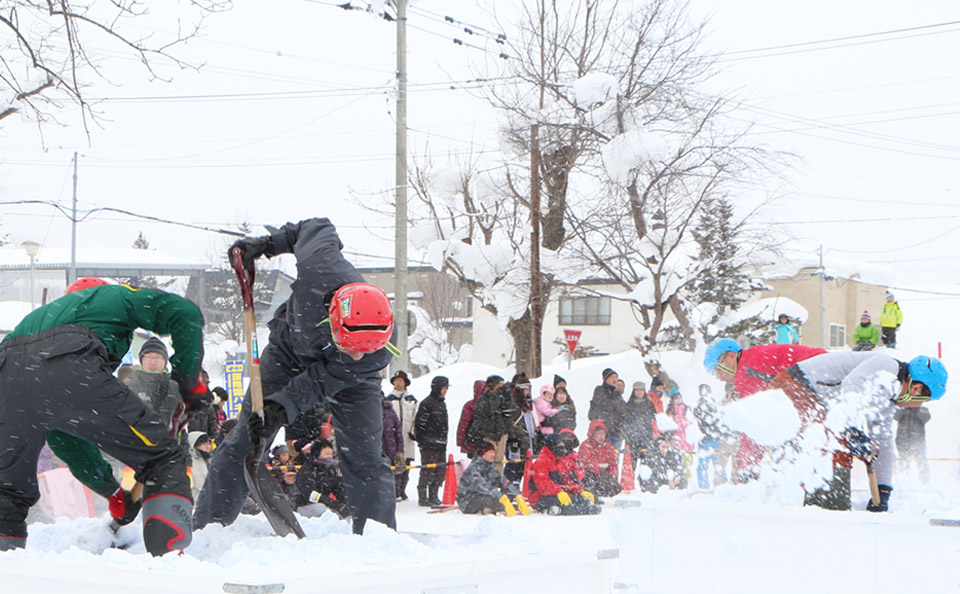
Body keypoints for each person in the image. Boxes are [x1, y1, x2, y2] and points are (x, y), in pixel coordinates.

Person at [194, 218, 398, 535]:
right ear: (334, 320)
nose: (358, 354)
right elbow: (313, 226)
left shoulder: (374, 352)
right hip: (288, 351)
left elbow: (320, 380)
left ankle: (379, 539)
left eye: (364, 350)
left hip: (349, 381)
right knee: (246, 440)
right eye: (352, 347)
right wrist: (267, 245)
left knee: (365, 457)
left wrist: (282, 406)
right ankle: (209, 527)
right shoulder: (321, 263)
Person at [0, 276, 209, 555]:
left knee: (6, 491)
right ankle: (168, 562)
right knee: (164, 457)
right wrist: (188, 380)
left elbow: (67, 442)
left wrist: (112, 492)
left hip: (6, 379)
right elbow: (185, 313)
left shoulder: (38, 318)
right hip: (71, 363)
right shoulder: (113, 296)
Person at [767, 351, 947, 511]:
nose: (919, 405)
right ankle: (826, 510)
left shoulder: (887, 399)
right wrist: (854, 431)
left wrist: (883, 489)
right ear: (916, 389)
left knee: (836, 444)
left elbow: (883, 441)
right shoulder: (886, 366)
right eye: (923, 400)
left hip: (815, 399)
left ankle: (822, 504)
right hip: (794, 387)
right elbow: (851, 385)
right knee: (835, 447)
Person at [703, 338, 827, 481]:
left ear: (731, 356)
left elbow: (754, 423)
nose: (720, 378)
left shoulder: (746, 370)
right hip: (823, 368)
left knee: (803, 436)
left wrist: (747, 469)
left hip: (815, 375)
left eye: (718, 372)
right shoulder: (753, 358)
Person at [527, 429, 600, 515]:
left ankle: (584, 507)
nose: (562, 448)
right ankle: (577, 510)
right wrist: (558, 491)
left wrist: (579, 491)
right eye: (560, 445)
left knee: (579, 499)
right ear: (552, 446)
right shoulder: (540, 462)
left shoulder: (560, 461)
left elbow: (566, 481)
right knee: (566, 505)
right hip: (540, 497)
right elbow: (543, 485)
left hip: (558, 493)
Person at [127, 336, 184, 445]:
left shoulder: (175, 388)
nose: (152, 362)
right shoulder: (129, 387)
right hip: (139, 450)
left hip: (170, 451)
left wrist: (185, 456)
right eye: (148, 356)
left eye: (157, 357)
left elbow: (181, 425)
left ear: (165, 361)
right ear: (141, 359)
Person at [456, 443, 526, 516]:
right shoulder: (473, 469)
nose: (493, 455)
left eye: (494, 452)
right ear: (482, 454)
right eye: (490, 452)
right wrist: (500, 497)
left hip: (486, 496)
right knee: (489, 499)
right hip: (468, 501)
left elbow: (504, 482)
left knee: (506, 495)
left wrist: (517, 495)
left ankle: (494, 507)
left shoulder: (490, 468)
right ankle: (496, 507)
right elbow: (482, 487)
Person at [413, 376, 449, 507]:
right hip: (428, 444)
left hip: (441, 443)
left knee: (440, 471)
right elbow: (420, 424)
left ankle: (434, 494)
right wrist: (423, 441)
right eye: (444, 388)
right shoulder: (427, 403)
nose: (445, 391)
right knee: (428, 470)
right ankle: (423, 496)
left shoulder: (442, 403)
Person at [384, 370, 418, 500]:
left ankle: (403, 489)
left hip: (407, 437)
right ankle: (395, 490)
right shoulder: (389, 400)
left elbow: (416, 418)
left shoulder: (411, 400)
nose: (398, 383)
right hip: (393, 439)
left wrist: (414, 433)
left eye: (400, 380)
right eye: (396, 380)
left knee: (407, 465)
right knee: (395, 465)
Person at [293, 439, 348, 519]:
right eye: (326, 454)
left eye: (331, 454)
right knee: (322, 509)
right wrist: (330, 502)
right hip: (305, 505)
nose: (330, 456)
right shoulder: (307, 470)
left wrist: (345, 502)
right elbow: (310, 494)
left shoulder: (330, 469)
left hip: (325, 503)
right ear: (317, 454)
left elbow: (338, 487)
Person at [469, 375, 508, 473]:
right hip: (488, 435)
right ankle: (489, 485)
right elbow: (488, 413)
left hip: (501, 434)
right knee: (489, 462)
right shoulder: (483, 399)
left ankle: (498, 483)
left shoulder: (504, 398)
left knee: (499, 462)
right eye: (499, 386)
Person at [579, 420, 622, 498]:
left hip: (605, 476)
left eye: (603, 433)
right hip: (591, 475)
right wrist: (600, 472)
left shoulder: (608, 446)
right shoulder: (585, 446)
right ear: (592, 434)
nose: (601, 436)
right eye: (598, 434)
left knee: (615, 487)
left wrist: (613, 475)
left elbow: (613, 464)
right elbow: (586, 462)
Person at [588, 368, 625, 449]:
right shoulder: (600, 390)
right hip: (603, 431)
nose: (615, 379)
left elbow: (623, 411)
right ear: (606, 378)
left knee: (614, 457)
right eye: (612, 377)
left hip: (616, 431)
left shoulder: (617, 393)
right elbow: (602, 406)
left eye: (616, 377)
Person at [622, 381, 656, 469]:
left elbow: (653, 418)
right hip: (632, 439)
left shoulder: (649, 404)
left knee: (646, 466)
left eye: (641, 390)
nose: (639, 392)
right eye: (637, 390)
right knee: (631, 465)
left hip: (646, 438)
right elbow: (625, 420)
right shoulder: (629, 405)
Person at [895, 405, 931, 484]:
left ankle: (925, 482)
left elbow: (926, 419)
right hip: (903, 441)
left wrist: (917, 409)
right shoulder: (902, 408)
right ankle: (904, 482)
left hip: (918, 442)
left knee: (922, 462)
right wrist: (905, 407)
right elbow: (895, 416)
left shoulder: (923, 409)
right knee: (904, 463)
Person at [380, 394, 405, 494]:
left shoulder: (390, 412)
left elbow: (399, 434)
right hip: (376, 451)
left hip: (391, 450)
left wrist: (400, 452)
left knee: (393, 474)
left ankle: (393, 493)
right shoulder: (368, 412)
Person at [456, 380, 486, 459]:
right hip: (479, 441)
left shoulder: (470, 405)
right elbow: (464, 423)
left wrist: (461, 441)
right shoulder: (473, 406)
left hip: (473, 441)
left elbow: (463, 424)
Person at [188, 431, 213, 500]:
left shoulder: (210, 460)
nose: (208, 447)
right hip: (194, 504)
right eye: (203, 443)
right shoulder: (188, 462)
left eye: (209, 443)